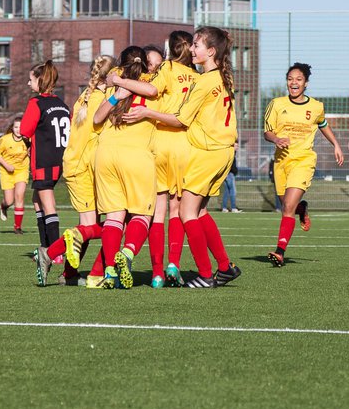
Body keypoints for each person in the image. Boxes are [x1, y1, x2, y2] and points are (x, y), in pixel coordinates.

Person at [124, 26, 240, 288]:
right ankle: (224, 267)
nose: (192, 49)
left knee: (186, 213)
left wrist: (147, 114)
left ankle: (206, 275)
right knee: (198, 213)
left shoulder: (203, 81)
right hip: (223, 151)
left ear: (211, 52)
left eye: (197, 45)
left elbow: (180, 120)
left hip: (208, 151)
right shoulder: (223, 77)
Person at [263, 63, 345, 267]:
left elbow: (323, 124)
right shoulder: (276, 104)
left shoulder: (316, 106)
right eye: (290, 79)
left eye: (298, 79)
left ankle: (280, 251)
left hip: (303, 160)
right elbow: (267, 132)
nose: (294, 83)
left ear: (306, 83)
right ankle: (302, 208)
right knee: (287, 205)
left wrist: (336, 144)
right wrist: (276, 140)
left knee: (287, 208)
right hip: (281, 161)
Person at [93, 46, 158, 288]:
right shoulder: (150, 81)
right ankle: (128, 253)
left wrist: (116, 92)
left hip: (106, 154)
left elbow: (96, 119)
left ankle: (109, 272)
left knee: (114, 217)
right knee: (142, 214)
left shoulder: (114, 85)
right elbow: (152, 90)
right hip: (136, 156)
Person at [46, 54, 114, 286]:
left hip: (85, 165)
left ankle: (69, 274)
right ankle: (47, 254)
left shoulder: (86, 95)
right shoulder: (102, 98)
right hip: (81, 167)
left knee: (91, 227)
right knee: (90, 227)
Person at [21, 59, 71, 285]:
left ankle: (54, 252)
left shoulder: (36, 102)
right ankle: (46, 246)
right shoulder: (61, 103)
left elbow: (24, 130)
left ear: (40, 81)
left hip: (44, 160)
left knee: (47, 203)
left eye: (31, 79)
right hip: (59, 158)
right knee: (37, 199)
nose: (28, 83)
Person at [0, 118, 30, 233]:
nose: (19, 130)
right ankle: (3, 206)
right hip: (6, 172)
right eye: (16, 127)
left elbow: (31, 151)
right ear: (12, 128)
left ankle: (17, 227)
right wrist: (7, 166)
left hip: (22, 170)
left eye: (21, 127)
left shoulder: (28, 139)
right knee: (9, 201)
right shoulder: (5, 140)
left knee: (20, 195)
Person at [220, 149, 240, 213]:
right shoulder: (231, 154)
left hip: (226, 174)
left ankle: (224, 208)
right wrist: (235, 171)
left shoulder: (228, 153)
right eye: (236, 146)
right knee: (233, 191)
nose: (237, 147)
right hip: (229, 174)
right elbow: (231, 165)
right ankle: (233, 208)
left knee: (227, 192)